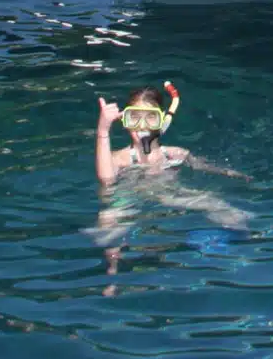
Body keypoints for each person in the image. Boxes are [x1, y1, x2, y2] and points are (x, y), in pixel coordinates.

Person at [92, 84, 247, 282]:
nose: (142, 126)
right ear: (125, 122)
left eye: (150, 118)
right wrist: (103, 129)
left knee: (223, 207)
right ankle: (112, 271)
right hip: (127, 198)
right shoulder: (119, 159)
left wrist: (231, 173)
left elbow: (208, 167)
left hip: (169, 196)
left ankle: (241, 246)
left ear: (162, 121)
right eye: (134, 117)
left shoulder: (175, 154)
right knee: (107, 221)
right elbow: (106, 181)